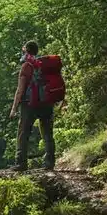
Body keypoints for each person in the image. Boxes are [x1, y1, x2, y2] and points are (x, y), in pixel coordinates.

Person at [8, 40, 63, 171]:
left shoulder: (27, 66)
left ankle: (21, 163)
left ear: (26, 50)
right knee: (47, 133)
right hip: (47, 103)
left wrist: (14, 108)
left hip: (29, 105)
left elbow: (20, 90)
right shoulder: (44, 65)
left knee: (23, 133)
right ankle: (49, 162)